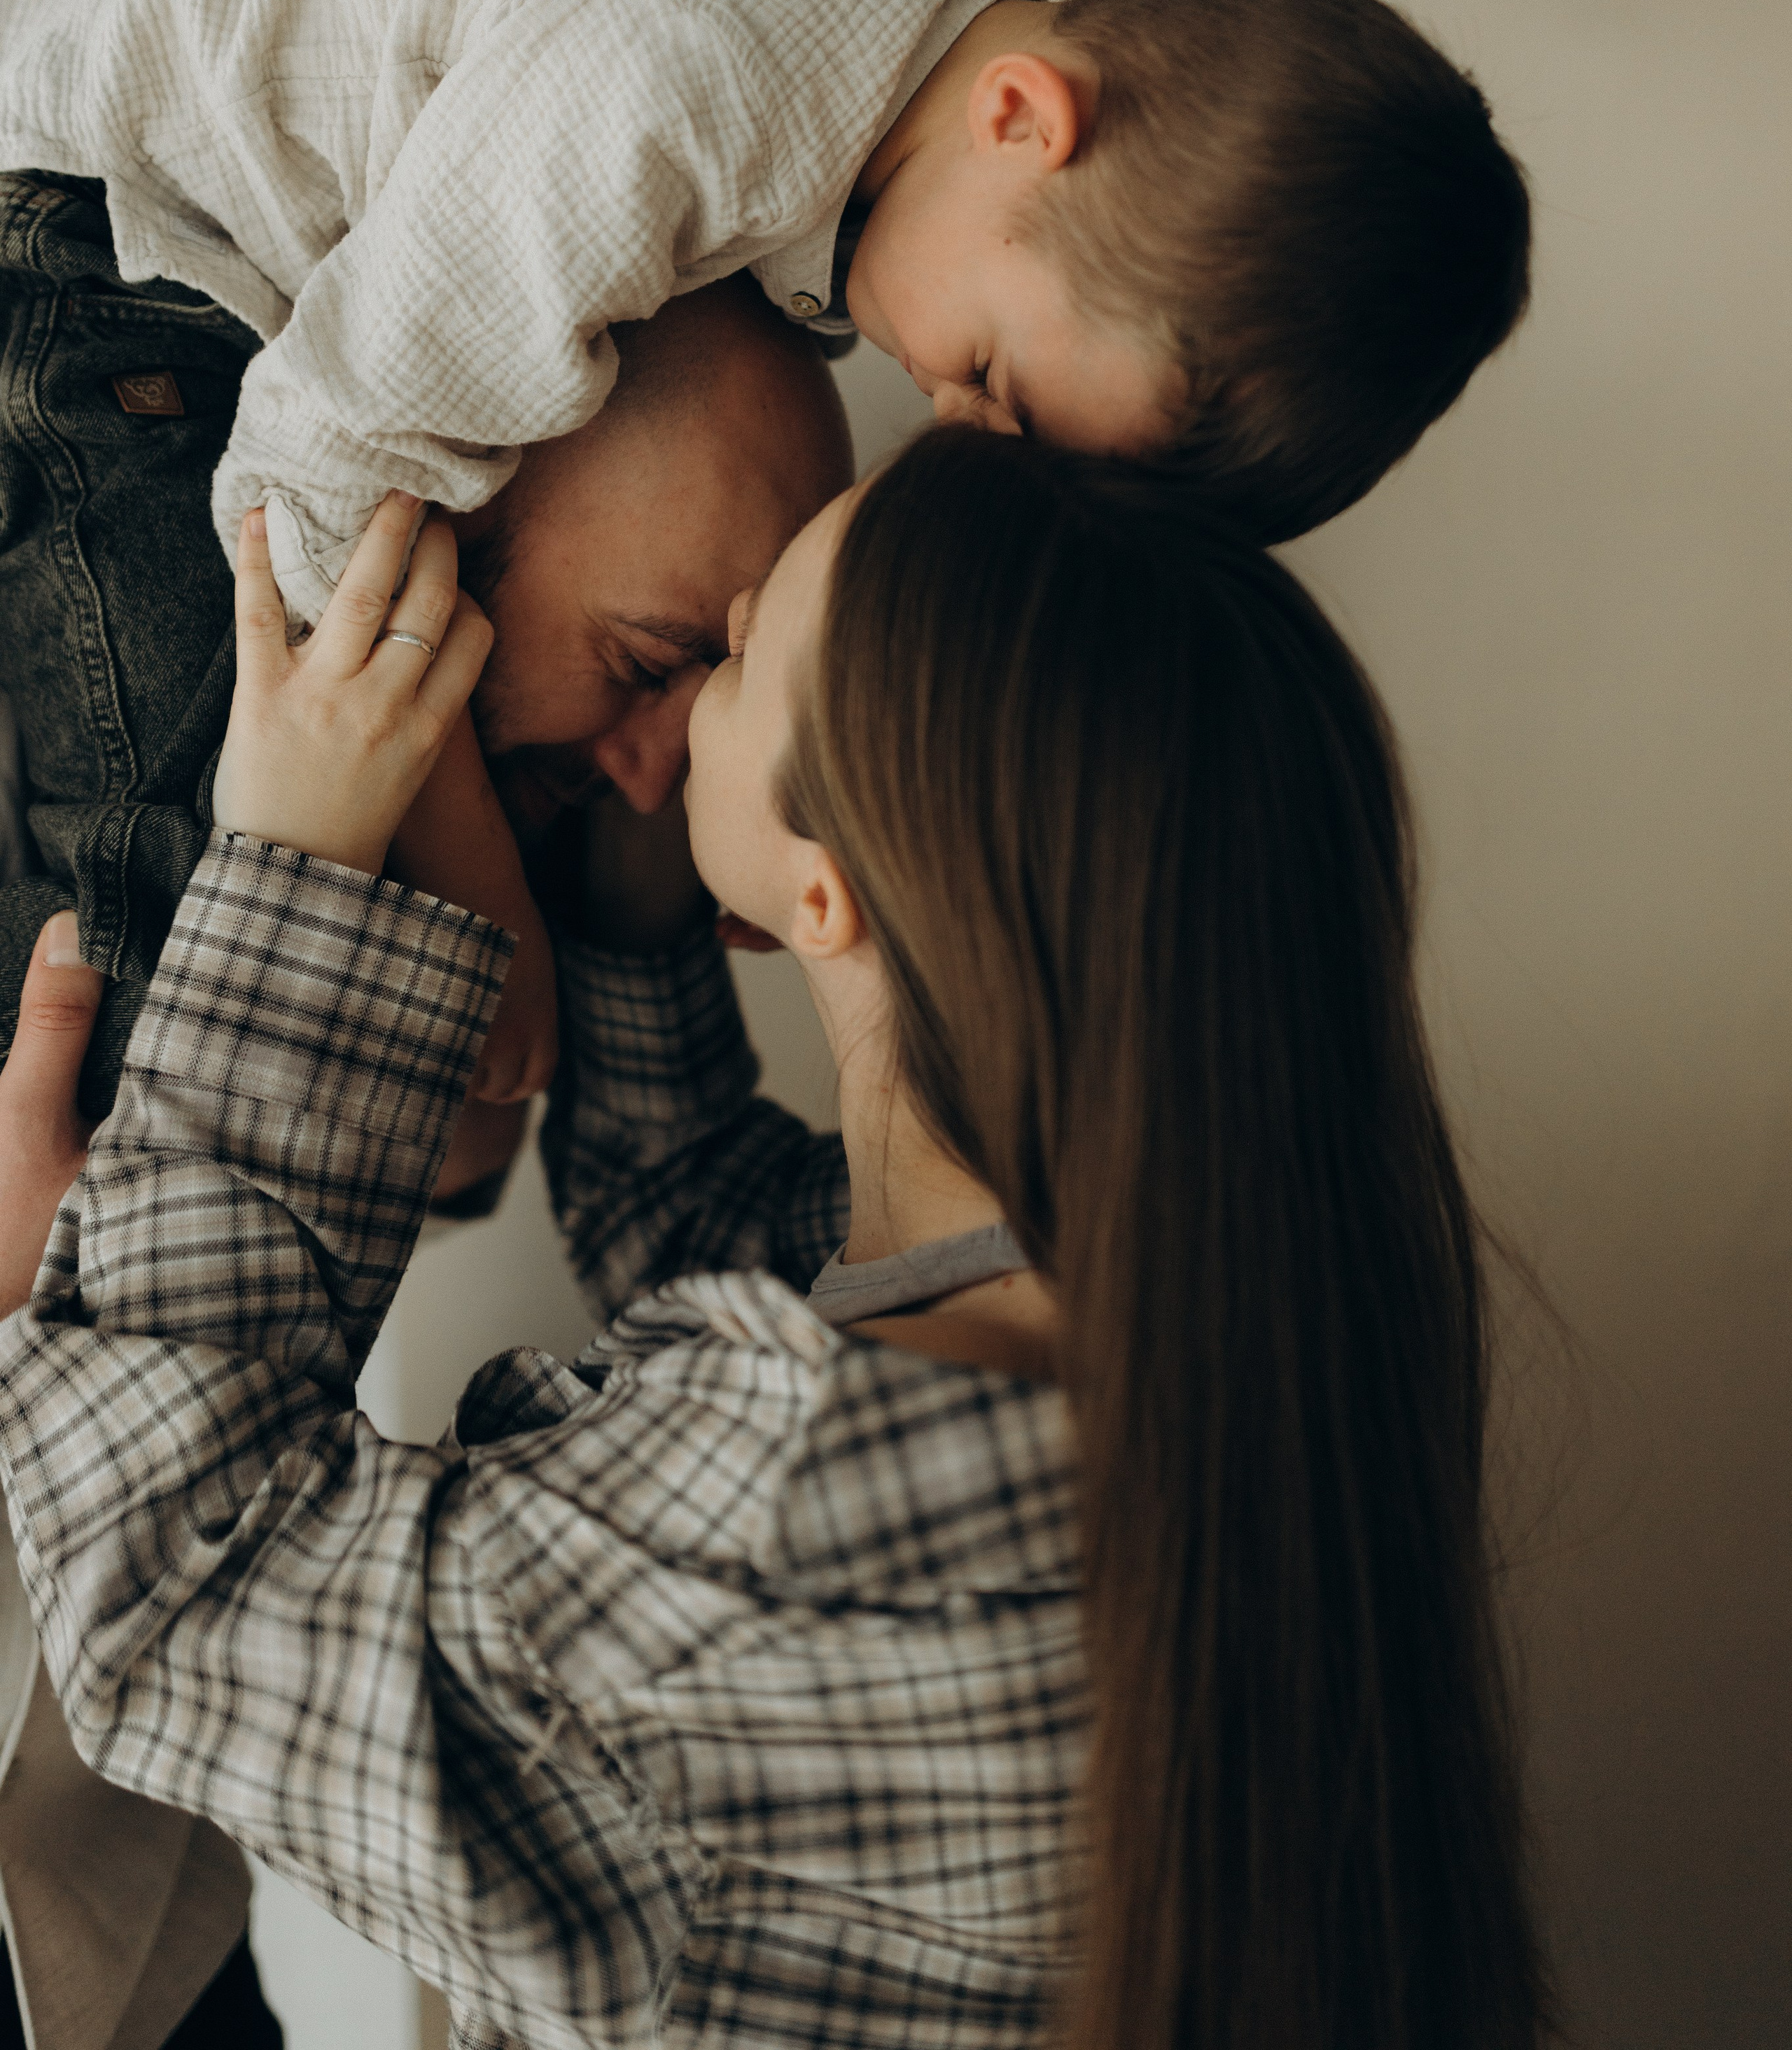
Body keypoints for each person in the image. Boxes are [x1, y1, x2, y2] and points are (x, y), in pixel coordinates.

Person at [0, 428, 1549, 2049]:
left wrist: (301, 870)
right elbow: (694, 1235)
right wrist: (643, 895)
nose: (656, 729)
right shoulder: (1191, 1330)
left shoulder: (812, 1503)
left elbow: (176, 1594)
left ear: (825, 893)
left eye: (727, 662)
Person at [0, 0, 1533, 1133]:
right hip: (80, 225)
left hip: (141, 244)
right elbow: (313, 467)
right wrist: (480, 895)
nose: (951, 429)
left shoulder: (818, 92)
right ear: (1022, 120)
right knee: (170, 880)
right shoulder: (691, 81)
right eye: (988, 378)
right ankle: (69, 1294)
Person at [0, 277, 850, 2044]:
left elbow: (472, 1190)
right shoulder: (134, 662)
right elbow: (660, 1210)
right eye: (651, 661)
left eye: (722, 680)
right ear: (430, 533)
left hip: (116, 1901)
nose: (663, 747)